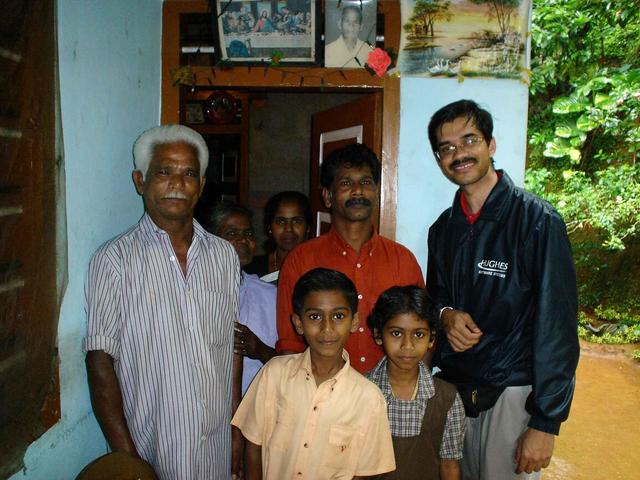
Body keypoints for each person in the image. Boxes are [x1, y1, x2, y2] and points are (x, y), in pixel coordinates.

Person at [425, 99, 579, 479]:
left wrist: (546, 422)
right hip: (455, 393)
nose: (458, 154)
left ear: (490, 145)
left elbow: (557, 327)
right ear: (438, 159)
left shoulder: (538, 221)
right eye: (446, 148)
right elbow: (435, 298)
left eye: (469, 140)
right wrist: (446, 317)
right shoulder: (443, 229)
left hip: (513, 394)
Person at [84, 124, 240, 479]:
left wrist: (236, 429)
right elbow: (99, 360)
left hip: (216, 446)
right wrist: (129, 462)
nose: (177, 183)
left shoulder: (224, 256)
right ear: (140, 181)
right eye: (164, 172)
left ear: (200, 186)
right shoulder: (113, 261)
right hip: (151, 449)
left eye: (188, 174)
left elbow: (230, 345)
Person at [232, 268, 396, 479]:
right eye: (315, 316)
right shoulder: (274, 374)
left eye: (338, 316)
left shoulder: (369, 399)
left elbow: (367, 472)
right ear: (299, 323)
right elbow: (253, 445)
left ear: (354, 321)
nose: (327, 328)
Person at [276, 143, 424, 373]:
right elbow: (290, 344)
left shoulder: (403, 260)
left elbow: (422, 333)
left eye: (366, 182)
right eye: (346, 183)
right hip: (322, 394)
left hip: (390, 398)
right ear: (327, 196)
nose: (358, 190)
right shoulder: (301, 260)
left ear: (376, 192)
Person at [202, 202, 278, 480]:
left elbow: (291, 363)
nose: (243, 241)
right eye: (231, 233)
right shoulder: (194, 297)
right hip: (206, 421)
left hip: (259, 421)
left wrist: (261, 351)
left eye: (248, 234)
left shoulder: (269, 296)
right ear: (209, 240)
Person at [367, 286, 465, 480]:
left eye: (419, 334)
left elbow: (449, 465)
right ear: (379, 335)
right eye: (396, 333)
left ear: (431, 339)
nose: (407, 345)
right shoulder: (360, 391)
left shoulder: (447, 398)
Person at [244, 190, 312, 281]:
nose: (288, 228)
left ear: (308, 227)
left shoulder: (318, 267)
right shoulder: (251, 269)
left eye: (297, 221)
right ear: (269, 228)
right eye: (280, 221)